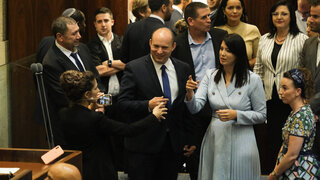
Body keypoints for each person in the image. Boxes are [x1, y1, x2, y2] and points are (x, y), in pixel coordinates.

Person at [185, 33, 266, 180]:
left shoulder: (253, 79)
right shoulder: (211, 75)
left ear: (238, 54)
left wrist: (237, 115)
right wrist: (190, 93)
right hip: (216, 138)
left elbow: (261, 115)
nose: (222, 53)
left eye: (228, 50)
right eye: (221, 49)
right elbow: (195, 107)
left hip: (242, 138)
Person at [59, 70, 166, 180]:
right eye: (95, 88)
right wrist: (154, 116)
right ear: (87, 94)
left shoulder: (63, 113)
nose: (99, 90)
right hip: (99, 170)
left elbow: (81, 118)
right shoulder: (95, 118)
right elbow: (128, 130)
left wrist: (91, 107)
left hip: (77, 168)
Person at [118, 27, 195, 180]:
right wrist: (147, 105)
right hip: (142, 147)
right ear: (150, 43)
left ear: (173, 47)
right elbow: (122, 104)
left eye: (164, 47)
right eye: (156, 46)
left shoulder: (183, 68)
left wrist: (189, 139)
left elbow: (184, 108)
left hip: (172, 147)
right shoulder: (134, 68)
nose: (159, 51)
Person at [171, 2, 227, 179]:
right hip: (191, 107)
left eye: (209, 15)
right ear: (190, 21)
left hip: (219, 106)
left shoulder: (220, 37)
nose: (209, 20)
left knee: (219, 158)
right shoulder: (177, 44)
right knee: (196, 159)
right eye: (204, 17)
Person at [253, 0, 308, 173]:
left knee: (291, 143)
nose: (279, 17)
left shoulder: (301, 40)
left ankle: (286, 173)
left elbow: (305, 73)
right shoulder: (264, 39)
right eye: (276, 14)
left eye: (284, 13)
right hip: (269, 98)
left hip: (292, 101)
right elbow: (258, 69)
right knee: (272, 141)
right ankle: (273, 173)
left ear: (291, 16)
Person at [42, 16, 101, 145]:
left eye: (78, 31)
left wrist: (101, 99)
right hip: (73, 125)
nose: (79, 36)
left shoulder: (83, 49)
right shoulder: (51, 62)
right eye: (74, 34)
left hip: (94, 118)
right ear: (60, 37)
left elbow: (95, 77)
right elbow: (63, 98)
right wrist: (92, 105)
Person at [268, 68, 320, 180]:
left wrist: (274, 174)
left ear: (298, 91)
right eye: (281, 87)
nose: (280, 92)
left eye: (285, 88)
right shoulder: (296, 112)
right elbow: (286, 144)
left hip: (299, 172)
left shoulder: (301, 115)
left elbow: (292, 155)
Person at [213, 0, 260, 69]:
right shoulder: (216, 30)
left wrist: (241, 67)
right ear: (224, 11)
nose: (235, 11)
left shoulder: (252, 29)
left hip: (245, 74)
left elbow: (259, 57)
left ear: (242, 9)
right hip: (222, 75)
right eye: (230, 8)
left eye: (238, 8)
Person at [301, 0, 320, 158]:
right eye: (309, 15)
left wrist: (309, 106)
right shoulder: (309, 43)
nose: (309, 20)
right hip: (309, 118)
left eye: (315, 16)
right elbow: (302, 75)